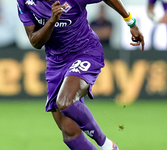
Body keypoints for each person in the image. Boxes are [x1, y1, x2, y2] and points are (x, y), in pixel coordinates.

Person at [17, 0, 144, 149]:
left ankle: (107, 145)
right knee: (69, 132)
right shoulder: (25, 1)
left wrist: (130, 22)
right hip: (56, 62)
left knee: (65, 101)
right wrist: (51, 21)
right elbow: (35, 42)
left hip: (85, 52)